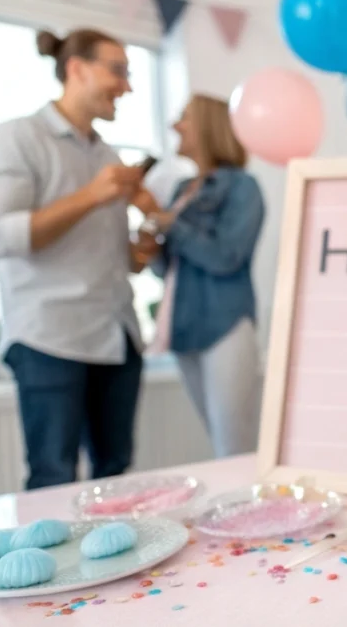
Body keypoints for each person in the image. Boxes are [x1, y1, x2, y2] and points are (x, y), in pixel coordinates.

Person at [0, 28, 145, 490]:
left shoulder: (106, 154)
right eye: (118, 70)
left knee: (116, 479)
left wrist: (137, 253)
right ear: (76, 68)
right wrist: (92, 195)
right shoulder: (16, 140)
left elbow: (103, 254)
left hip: (116, 335)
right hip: (50, 339)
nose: (126, 86)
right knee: (53, 478)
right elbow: (0, 235)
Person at [133, 94, 266, 458]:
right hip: (185, 327)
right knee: (216, 434)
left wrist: (169, 223)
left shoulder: (243, 188)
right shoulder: (180, 191)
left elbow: (226, 257)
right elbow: (168, 271)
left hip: (225, 323)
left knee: (233, 441)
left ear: (208, 126)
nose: (176, 126)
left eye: (184, 118)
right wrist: (153, 237)